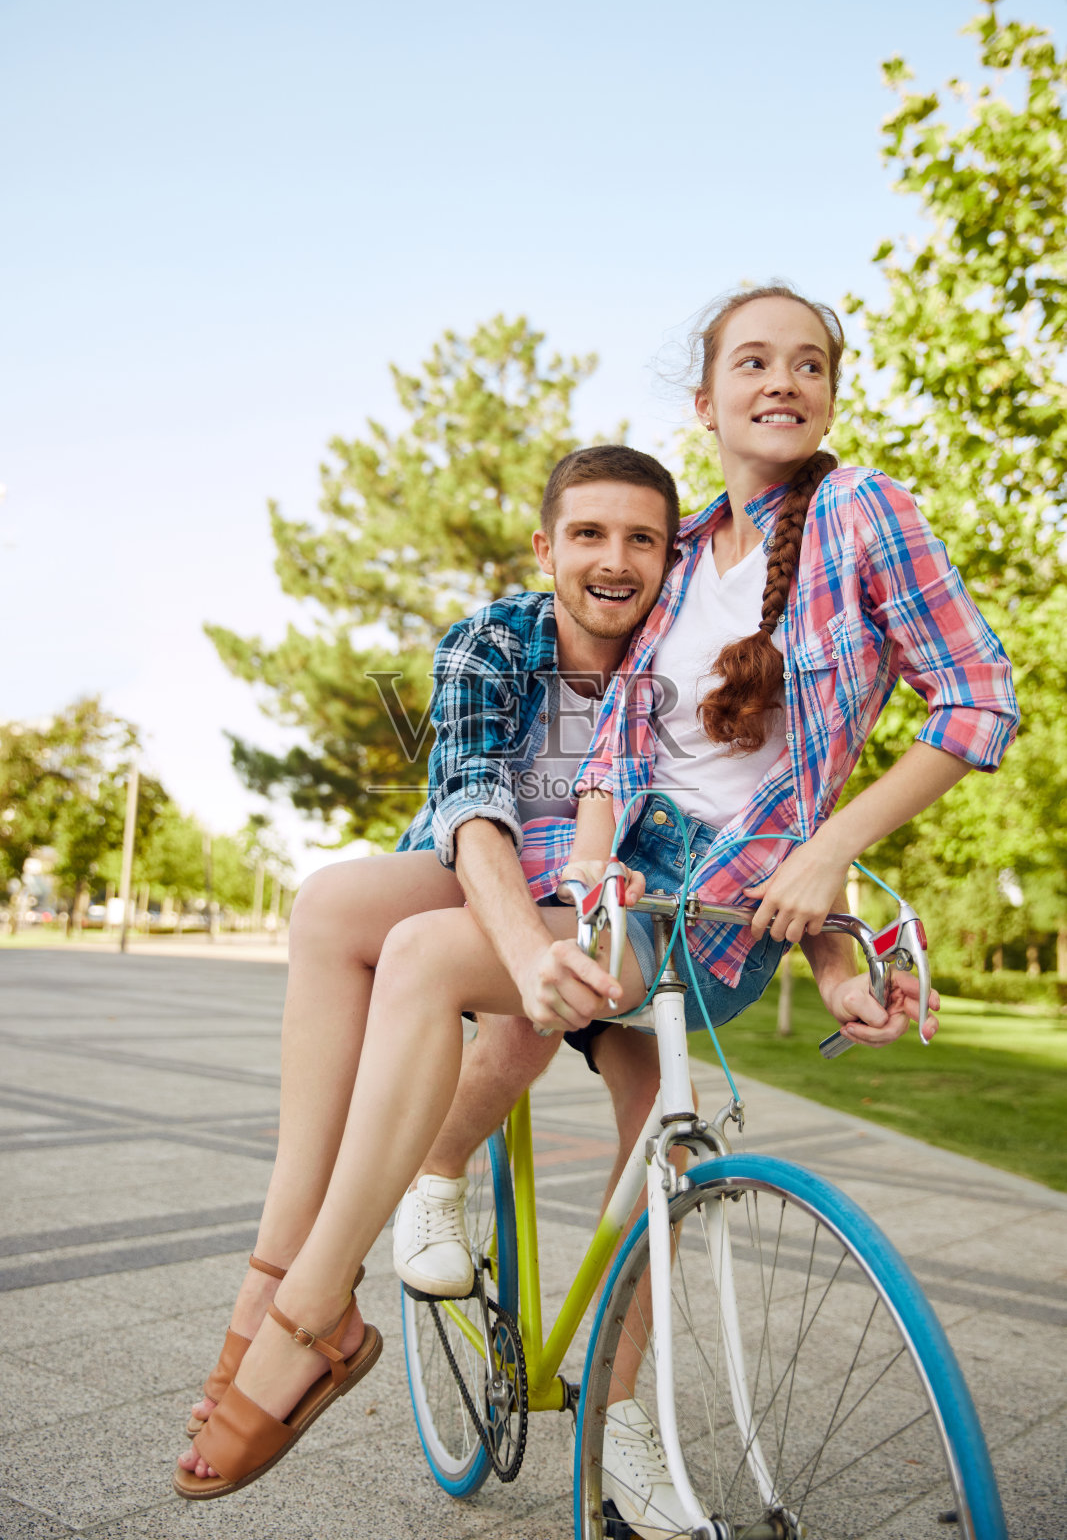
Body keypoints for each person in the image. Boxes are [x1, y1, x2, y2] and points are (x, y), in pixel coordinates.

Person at [175, 288, 1017, 1531]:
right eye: (750, 359)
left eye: (806, 363)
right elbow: (624, 757)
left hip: (707, 900)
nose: (779, 380)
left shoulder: (861, 512)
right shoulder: (683, 567)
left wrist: (834, 893)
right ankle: (314, 1275)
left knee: (457, 979)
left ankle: (342, 1322)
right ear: (705, 398)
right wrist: (590, 859)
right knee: (352, 915)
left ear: (832, 389)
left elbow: (969, 704)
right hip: (610, 883)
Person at [175, 443, 680, 1491]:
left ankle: (623, 1413)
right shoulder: (499, 636)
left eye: (642, 538)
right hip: (484, 882)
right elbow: (469, 806)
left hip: (607, 906)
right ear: (546, 548)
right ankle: (278, 1281)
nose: (613, 558)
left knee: (657, 1127)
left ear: (670, 560)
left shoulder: (673, 663)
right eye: (587, 532)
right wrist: (520, 946)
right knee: (329, 907)